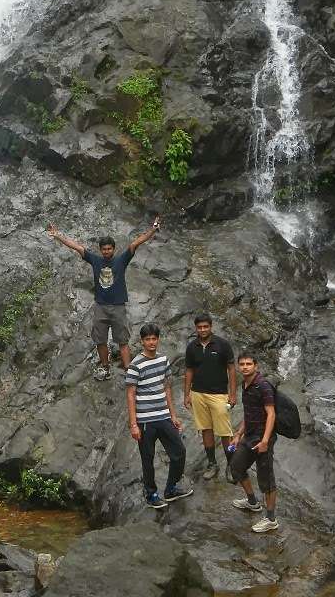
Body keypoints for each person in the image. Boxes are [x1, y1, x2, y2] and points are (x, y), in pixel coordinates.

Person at [47, 218, 160, 380]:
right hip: (100, 306)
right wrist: (57, 235)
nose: (106, 251)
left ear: (113, 249)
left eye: (109, 249)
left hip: (118, 306)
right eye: (104, 249)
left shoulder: (121, 260)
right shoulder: (95, 260)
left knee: (122, 340)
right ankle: (105, 367)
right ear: (100, 250)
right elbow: (76, 247)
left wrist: (153, 230)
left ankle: (129, 370)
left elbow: (135, 243)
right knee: (100, 339)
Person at [125, 322, 192, 509]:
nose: (151, 342)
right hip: (145, 420)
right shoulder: (135, 365)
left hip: (163, 416)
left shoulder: (163, 360)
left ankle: (171, 488)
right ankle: (151, 493)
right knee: (148, 459)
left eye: (154, 338)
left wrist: (173, 415)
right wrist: (133, 424)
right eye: (148, 339)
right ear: (142, 341)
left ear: (159, 339)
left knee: (179, 452)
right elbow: (130, 394)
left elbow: (167, 387)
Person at [229, 351, 279, 533]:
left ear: (255, 366)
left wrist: (265, 441)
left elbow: (271, 413)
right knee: (236, 466)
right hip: (249, 435)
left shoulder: (263, 386)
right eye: (241, 364)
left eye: (248, 364)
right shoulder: (245, 384)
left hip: (262, 438)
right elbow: (248, 412)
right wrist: (238, 433)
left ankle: (271, 519)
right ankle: (252, 502)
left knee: (266, 479)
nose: (244, 367)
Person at [182, 313, 236, 480]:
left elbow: (232, 369)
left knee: (226, 433)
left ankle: (232, 465)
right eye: (200, 327)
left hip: (219, 394)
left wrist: (232, 394)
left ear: (211, 326)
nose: (203, 330)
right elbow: (189, 370)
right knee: (206, 429)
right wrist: (187, 394)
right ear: (196, 328)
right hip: (198, 394)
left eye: (206, 327)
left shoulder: (222, 345)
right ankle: (212, 463)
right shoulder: (192, 347)